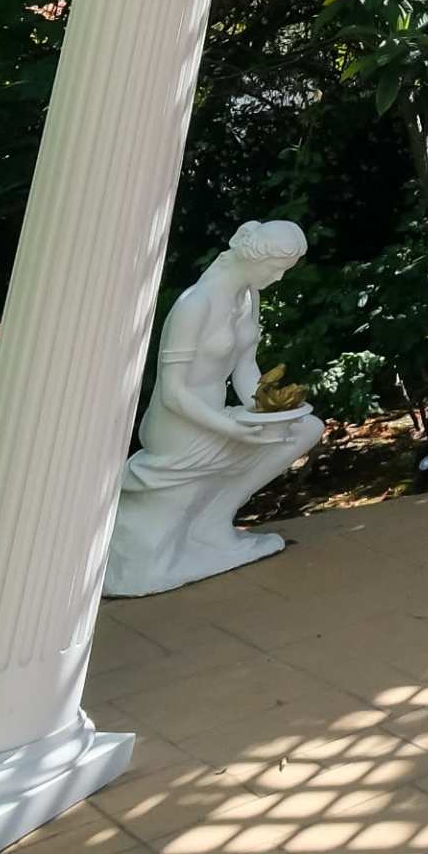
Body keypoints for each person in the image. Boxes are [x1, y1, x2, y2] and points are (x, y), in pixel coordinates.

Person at [104, 221, 324, 596]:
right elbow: (172, 393)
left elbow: (245, 370)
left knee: (305, 428)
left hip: (218, 418)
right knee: (153, 556)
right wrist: (231, 429)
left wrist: (273, 408)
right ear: (253, 258)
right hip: (179, 424)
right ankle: (157, 554)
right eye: (277, 267)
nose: (280, 276)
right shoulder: (195, 304)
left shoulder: (247, 298)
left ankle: (213, 525)